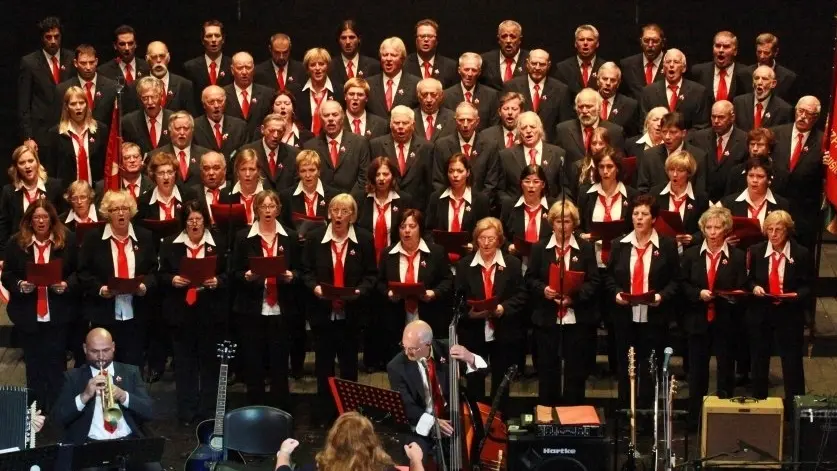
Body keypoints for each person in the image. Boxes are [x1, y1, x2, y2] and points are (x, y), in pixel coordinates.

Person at [301, 194, 377, 422]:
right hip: (322, 313)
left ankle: (349, 415)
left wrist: (358, 292)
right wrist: (315, 288)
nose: (339, 215)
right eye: (335, 210)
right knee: (323, 365)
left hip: (351, 314)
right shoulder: (315, 238)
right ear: (329, 213)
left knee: (349, 366)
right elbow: (306, 271)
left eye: (345, 211)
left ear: (352, 216)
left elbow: (371, 275)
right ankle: (324, 413)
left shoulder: (364, 239)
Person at [2, 199, 77, 413]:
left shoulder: (66, 240)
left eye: (45, 217)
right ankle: (34, 411)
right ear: (29, 221)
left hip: (58, 312)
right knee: (34, 366)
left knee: (56, 364)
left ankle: (58, 409)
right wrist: (19, 285)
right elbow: (7, 275)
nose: (41, 221)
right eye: (36, 217)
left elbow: (77, 272)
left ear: (52, 219)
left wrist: (66, 284)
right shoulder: (16, 243)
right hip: (28, 313)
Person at [605, 194, 680, 407]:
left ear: (654, 218)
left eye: (644, 214)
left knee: (650, 368)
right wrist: (617, 293)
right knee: (624, 366)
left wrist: (661, 296)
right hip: (625, 316)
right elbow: (609, 277)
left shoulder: (667, 246)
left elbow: (676, 279)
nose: (639, 218)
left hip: (654, 317)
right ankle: (625, 412)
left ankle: (647, 415)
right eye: (635, 214)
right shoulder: (619, 244)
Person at [52, 328, 160, 471]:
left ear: (114, 347)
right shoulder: (73, 378)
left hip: (127, 442)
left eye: (106, 350)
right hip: (91, 445)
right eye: (95, 351)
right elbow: (57, 418)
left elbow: (149, 411)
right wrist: (84, 396)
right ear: (85, 349)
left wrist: (124, 396)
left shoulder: (130, 372)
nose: (101, 357)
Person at [526, 199, 599, 405]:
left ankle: (574, 418)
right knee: (548, 371)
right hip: (548, 318)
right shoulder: (540, 248)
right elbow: (530, 278)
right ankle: (548, 419)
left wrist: (573, 298)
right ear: (552, 223)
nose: (562, 225)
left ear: (574, 223)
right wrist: (544, 290)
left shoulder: (584, 248)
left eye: (567, 221)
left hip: (576, 319)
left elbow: (594, 281)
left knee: (576, 372)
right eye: (558, 221)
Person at [158, 201, 224, 424]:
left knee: (209, 364)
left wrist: (218, 281)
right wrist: (172, 279)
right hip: (181, 312)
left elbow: (229, 272)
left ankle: (207, 411)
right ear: (183, 223)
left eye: (198, 219)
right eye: (190, 220)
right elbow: (160, 275)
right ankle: (186, 411)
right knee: (184, 365)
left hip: (210, 312)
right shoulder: (170, 244)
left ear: (205, 220)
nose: (195, 224)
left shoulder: (218, 242)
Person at [680, 207, 747, 427]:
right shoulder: (691, 254)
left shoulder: (737, 257)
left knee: (725, 369)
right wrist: (698, 293)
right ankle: (694, 420)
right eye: (708, 227)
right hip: (698, 320)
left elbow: (741, 287)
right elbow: (683, 284)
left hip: (725, 321)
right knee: (697, 372)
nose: (712, 232)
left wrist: (731, 296)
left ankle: (724, 419)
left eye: (717, 227)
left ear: (726, 230)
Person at [232, 190, 299, 409]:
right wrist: (246, 276)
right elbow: (233, 272)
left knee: (280, 365)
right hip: (253, 309)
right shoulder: (244, 237)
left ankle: (281, 412)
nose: (268, 210)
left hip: (281, 309)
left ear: (278, 209)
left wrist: (292, 276)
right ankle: (255, 412)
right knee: (254, 364)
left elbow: (301, 269)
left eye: (272, 206)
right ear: (256, 209)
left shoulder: (289, 236)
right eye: (263, 206)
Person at [386, 320, 487, 460]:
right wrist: (433, 422)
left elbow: (483, 371)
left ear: (428, 344)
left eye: (413, 348)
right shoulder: (396, 366)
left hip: (451, 417)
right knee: (419, 458)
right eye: (404, 346)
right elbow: (407, 406)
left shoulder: (446, 349)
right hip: (421, 422)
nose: (407, 352)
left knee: (473, 452)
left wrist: (469, 357)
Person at [77, 190, 156, 367]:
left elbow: (154, 270)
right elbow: (82, 272)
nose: (121, 213)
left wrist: (144, 286)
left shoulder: (144, 237)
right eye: (115, 209)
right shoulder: (93, 238)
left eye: (125, 208)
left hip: (136, 314)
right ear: (107, 213)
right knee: (105, 365)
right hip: (104, 313)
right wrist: (100, 289)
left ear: (131, 211)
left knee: (134, 365)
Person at [455, 217, 527, 411]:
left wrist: (502, 309)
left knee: (501, 382)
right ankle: (476, 421)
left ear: (499, 240)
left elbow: (521, 296)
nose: (486, 243)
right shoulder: (464, 265)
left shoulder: (511, 264)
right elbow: (457, 301)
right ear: (476, 239)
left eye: (491, 239)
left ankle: (499, 422)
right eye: (482, 238)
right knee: (475, 380)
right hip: (474, 332)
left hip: (503, 332)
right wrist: (470, 314)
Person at [577, 149, 637, 376]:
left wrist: (618, 237)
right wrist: (586, 236)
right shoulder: (587, 193)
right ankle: (589, 366)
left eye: (610, 167)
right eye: (601, 167)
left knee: (617, 319)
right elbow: (580, 225)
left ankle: (618, 366)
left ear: (618, 169)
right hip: (593, 261)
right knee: (589, 316)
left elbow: (634, 228)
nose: (605, 171)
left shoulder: (629, 195)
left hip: (619, 262)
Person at [748, 211, 810, 413]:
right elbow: (749, 279)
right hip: (762, 312)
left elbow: (807, 286)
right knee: (759, 360)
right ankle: (759, 406)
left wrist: (795, 295)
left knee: (792, 363)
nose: (773, 234)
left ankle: (795, 412)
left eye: (779, 230)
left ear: (788, 231)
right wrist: (754, 287)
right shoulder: (756, 251)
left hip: (789, 313)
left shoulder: (800, 253)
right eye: (770, 229)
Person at [356, 157, 414, 370]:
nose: (381, 178)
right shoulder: (362, 199)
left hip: (394, 262)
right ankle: (371, 360)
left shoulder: (404, 200)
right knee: (371, 315)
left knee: (392, 315)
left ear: (393, 176)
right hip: (368, 263)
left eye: (386, 174)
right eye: (377, 174)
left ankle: (393, 361)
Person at [378, 209, 452, 359]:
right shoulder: (388, 254)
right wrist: (388, 293)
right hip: (398, 317)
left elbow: (448, 280)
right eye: (403, 226)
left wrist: (434, 293)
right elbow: (379, 282)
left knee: (428, 364)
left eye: (412, 226)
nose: (407, 231)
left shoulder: (436, 252)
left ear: (420, 229)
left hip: (428, 315)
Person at [274, 412, 425, 471]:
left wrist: (284, 454)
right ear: (371, 441)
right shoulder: (386, 470)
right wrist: (416, 460)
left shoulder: (314, 468)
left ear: (333, 440)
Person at [769, 96, 824, 252]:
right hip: (776, 204)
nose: (803, 116)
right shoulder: (776, 133)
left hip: (805, 210)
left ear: (816, 117)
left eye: (809, 113)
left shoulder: (823, 141)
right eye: (800, 111)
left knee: (801, 255)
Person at [18, 16, 74, 154]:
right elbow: (24, 103)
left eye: (56, 36)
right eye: (48, 37)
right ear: (42, 38)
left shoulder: (72, 58)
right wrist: (28, 136)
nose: (53, 41)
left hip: (69, 127)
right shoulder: (29, 62)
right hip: (41, 132)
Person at [0, 145, 65, 261]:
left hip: (51, 251)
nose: (27, 166)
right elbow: (4, 226)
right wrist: (2, 257)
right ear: (16, 167)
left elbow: (62, 220)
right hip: (20, 251)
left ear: (37, 162)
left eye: (31, 161)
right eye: (22, 163)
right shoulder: (8, 192)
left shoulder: (55, 186)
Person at [432, 101, 502, 208]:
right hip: (450, 205)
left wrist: (479, 204)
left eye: (469, 120)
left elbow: (491, 183)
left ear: (477, 121)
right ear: (455, 121)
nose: (465, 124)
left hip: (480, 207)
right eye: (461, 120)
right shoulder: (442, 145)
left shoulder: (490, 146)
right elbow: (438, 180)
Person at [425, 154, 491, 261]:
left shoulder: (480, 200)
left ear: (468, 172)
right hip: (440, 260)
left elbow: (486, 232)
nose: (455, 175)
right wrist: (434, 246)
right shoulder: (436, 198)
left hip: (470, 260)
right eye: (451, 171)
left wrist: (474, 246)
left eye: (460, 171)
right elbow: (428, 231)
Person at [498, 112, 569, 208]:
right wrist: (511, 206)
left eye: (532, 127)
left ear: (540, 129)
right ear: (519, 132)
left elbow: (565, 189)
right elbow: (499, 190)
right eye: (523, 128)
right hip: (516, 213)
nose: (528, 131)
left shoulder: (558, 154)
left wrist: (556, 207)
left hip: (550, 214)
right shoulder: (505, 156)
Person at [369, 105, 433, 211]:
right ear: (390, 124)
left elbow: (429, 183)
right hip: (384, 207)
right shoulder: (376, 145)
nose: (400, 126)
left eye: (405, 123)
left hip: (416, 209)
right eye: (397, 123)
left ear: (413, 125)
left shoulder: (426, 147)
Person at [502, 49, 573, 143]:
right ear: (527, 63)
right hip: (518, 146)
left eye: (542, 64)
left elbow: (564, 125)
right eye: (534, 63)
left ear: (548, 65)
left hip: (549, 148)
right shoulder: (511, 86)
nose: (537, 67)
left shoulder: (561, 90)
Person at [303, 100, 371, 196]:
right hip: (322, 204)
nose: (330, 119)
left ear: (342, 117)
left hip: (353, 204)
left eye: (335, 115)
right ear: (320, 119)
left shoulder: (360, 143)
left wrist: (349, 202)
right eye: (326, 115)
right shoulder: (310, 146)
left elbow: (364, 178)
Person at [686, 100, 749, 203]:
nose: (716, 121)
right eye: (713, 116)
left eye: (721, 117)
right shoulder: (698, 138)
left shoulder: (744, 140)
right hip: (702, 201)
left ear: (732, 117)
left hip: (731, 200)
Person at [46, 86, 108, 188]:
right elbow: (52, 169)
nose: (78, 107)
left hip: (96, 192)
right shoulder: (56, 133)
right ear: (66, 107)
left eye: (81, 103)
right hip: (68, 194)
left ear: (87, 105)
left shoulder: (100, 129)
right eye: (73, 104)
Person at [649, 151, 710, 250]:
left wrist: (693, 238)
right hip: (660, 250)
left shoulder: (700, 197)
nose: (675, 174)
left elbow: (705, 228)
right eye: (671, 169)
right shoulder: (655, 193)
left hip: (688, 252)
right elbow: (649, 222)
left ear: (689, 173)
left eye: (680, 170)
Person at [637, 112, 708, 194]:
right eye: (664, 132)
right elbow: (642, 190)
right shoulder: (649, 156)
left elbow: (700, 191)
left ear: (683, 133)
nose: (667, 137)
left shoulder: (698, 156)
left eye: (673, 132)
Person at [639, 49, 711, 131]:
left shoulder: (698, 92)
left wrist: (679, 138)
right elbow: (644, 125)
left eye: (676, 62)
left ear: (683, 68)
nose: (671, 65)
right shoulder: (648, 92)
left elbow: (701, 126)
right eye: (668, 62)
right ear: (663, 67)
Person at [554, 87, 626, 165]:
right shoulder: (563, 130)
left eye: (589, 106)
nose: (584, 111)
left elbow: (619, 164)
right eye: (581, 107)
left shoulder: (615, 132)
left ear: (599, 107)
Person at [54, 44, 119, 126]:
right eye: (83, 63)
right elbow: (58, 121)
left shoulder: (111, 87)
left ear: (96, 61)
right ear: (75, 63)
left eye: (91, 62)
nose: (88, 67)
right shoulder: (63, 89)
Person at [502, 165, 554, 258]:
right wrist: (508, 246)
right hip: (517, 259)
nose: (531, 186)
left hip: (546, 259)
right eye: (527, 181)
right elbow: (501, 234)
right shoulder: (509, 205)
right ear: (521, 184)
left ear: (543, 185)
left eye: (536, 182)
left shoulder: (554, 207)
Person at [237, 114, 299, 191]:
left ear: (284, 132)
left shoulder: (293, 154)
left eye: (279, 131)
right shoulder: (247, 151)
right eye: (271, 131)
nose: (276, 135)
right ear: (263, 129)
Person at [148, 111, 209, 187]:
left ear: (192, 130)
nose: (182, 132)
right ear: (170, 130)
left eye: (186, 128)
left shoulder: (206, 155)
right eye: (177, 129)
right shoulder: (154, 156)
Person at [443, 52, 500, 132]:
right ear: (459, 70)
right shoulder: (447, 95)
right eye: (466, 69)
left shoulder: (491, 95)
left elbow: (494, 126)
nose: (470, 74)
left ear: (479, 72)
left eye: (474, 70)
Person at [291, 48, 342, 135]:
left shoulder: (340, 91)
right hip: (304, 143)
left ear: (328, 66)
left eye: (321, 64)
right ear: (307, 68)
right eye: (313, 65)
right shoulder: (296, 92)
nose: (317, 68)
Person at [366, 37, 421, 117]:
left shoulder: (416, 84)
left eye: (393, 55)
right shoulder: (368, 84)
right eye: (385, 55)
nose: (388, 59)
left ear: (402, 59)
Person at [192, 85, 249, 161]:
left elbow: (243, 156)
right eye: (211, 102)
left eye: (220, 101)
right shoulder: (194, 127)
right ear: (204, 105)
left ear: (225, 102)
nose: (216, 106)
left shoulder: (239, 126)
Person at [224, 52, 274, 138]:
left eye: (248, 68)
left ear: (254, 69)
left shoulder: (268, 94)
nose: (244, 72)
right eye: (239, 68)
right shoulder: (222, 94)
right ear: (232, 70)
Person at [181, 20, 234, 101]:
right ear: (202, 41)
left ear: (223, 39)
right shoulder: (190, 67)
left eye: (217, 35)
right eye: (209, 36)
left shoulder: (232, 65)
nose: (213, 39)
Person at [689, 31, 749, 102]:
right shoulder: (698, 72)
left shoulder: (745, 73)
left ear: (735, 51)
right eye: (717, 46)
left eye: (726, 47)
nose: (721, 50)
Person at [732, 65, 793, 131]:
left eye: (764, 79)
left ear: (773, 84)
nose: (759, 82)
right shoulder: (739, 103)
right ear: (753, 82)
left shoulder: (784, 109)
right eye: (756, 78)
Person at [121, 76, 171, 154]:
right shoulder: (129, 122)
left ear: (161, 96)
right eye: (145, 98)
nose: (150, 102)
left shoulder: (173, 119)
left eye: (154, 97)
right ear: (140, 98)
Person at [551, 24, 607, 95]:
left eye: (590, 40)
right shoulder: (563, 68)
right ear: (575, 43)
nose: (585, 43)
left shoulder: (606, 67)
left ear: (597, 44)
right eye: (581, 40)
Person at [144, 41, 196, 115]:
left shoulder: (184, 85)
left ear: (168, 57)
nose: (158, 60)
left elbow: (191, 118)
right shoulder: (135, 86)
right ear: (147, 59)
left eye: (162, 56)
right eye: (154, 57)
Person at [404, 19, 458, 88]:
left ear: (436, 41)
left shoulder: (451, 67)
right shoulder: (404, 64)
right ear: (416, 40)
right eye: (422, 36)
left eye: (430, 36)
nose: (426, 39)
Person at [328, 20, 381, 88]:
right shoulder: (330, 67)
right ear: (338, 40)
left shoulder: (374, 66)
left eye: (352, 37)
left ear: (359, 39)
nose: (347, 42)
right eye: (343, 38)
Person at [618, 24, 665, 99]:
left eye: (655, 41)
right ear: (641, 41)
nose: (650, 45)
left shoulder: (671, 64)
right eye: (646, 41)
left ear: (662, 42)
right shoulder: (627, 65)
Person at [479, 20, 528, 90]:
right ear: (499, 39)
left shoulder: (530, 60)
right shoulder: (485, 60)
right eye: (504, 36)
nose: (508, 40)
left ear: (520, 40)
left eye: (513, 36)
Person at [749, 33, 797, 102]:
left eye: (766, 53)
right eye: (759, 52)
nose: (762, 56)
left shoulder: (788, 77)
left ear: (776, 52)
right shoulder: (745, 74)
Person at [596, 62, 640, 137]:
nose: (608, 83)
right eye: (605, 79)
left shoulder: (630, 105)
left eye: (613, 80)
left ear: (618, 84)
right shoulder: (586, 100)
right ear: (597, 80)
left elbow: (633, 136)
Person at [227, 148, 266, 225]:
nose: (247, 174)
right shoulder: (226, 195)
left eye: (251, 169)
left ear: (258, 171)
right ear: (237, 171)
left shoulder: (268, 194)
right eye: (243, 169)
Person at [413, 78, 455, 144]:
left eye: (433, 94)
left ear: (441, 96)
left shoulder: (452, 118)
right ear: (418, 96)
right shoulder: (409, 117)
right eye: (424, 94)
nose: (429, 99)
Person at [574, 126, 615, 191]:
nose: (597, 147)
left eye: (601, 143)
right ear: (589, 145)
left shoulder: (614, 165)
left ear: (607, 145)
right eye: (594, 143)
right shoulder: (579, 166)